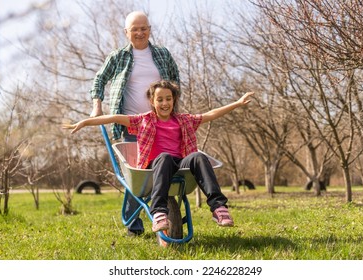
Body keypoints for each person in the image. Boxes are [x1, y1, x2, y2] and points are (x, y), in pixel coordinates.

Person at [64, 80, 255, 232]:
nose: (165, 103)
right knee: (163, 157)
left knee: (198, 157)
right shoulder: (143, 120)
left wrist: (238, 103)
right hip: (156, 164)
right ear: (152, 102)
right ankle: (159, 212)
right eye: (160, 99)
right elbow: (113, 118)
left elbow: (211, 114)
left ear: (174, 100)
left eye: (168, 99)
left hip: (180, 163)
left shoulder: (184, 120)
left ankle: (218, 208)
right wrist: (85, 122)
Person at [89, 11, 180, 236]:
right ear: (126, 32)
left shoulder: (162, 54)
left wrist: (175, 110)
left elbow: (175, 82)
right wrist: (97, 105)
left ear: (149, 29)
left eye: (143, 28)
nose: (139, 33)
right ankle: (134, 224)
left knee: (161, 168)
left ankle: (161, 211)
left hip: (160, 124)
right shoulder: (118, 57)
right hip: (132, 125)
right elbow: (100, 78)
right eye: (134, 29)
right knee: (137, 173)